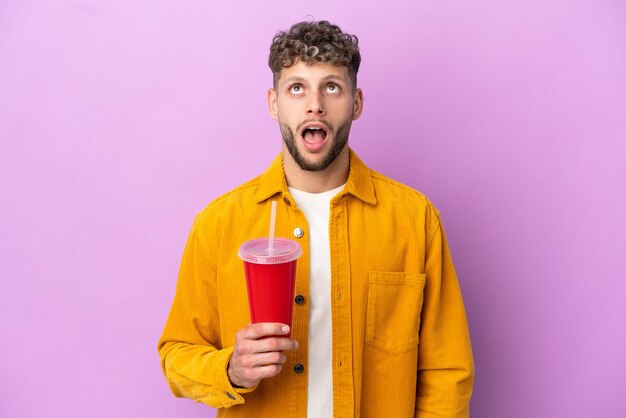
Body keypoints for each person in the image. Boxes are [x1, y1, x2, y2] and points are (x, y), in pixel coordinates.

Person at [158, 20, 474, 418]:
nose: (315, 105)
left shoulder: (414, 218)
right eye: (296, 87)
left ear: (356, 103)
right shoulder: (219, 223)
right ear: (274, 103)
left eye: (331, 87)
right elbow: (176, 355)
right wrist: (231, 369)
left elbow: (448, 371)